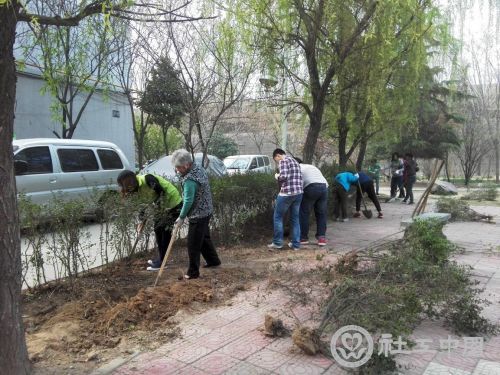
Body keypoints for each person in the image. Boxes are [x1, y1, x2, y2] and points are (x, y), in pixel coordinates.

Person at [117, 170, 182, 271]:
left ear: (133, 180)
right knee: (157, 229)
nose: (128, 187)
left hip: (173, 204)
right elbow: (143, 205)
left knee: (164, 230)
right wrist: (141, 220)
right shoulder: (136, 190)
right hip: (162, 207)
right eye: (125, 186)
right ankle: (161, 258)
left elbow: (162, 193)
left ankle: (163, 262)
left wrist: (159, 209)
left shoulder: (147, 179)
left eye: (128, 184)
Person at [171, 149, 221, 280]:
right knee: (203, 238)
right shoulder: (197, 167)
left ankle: (193, 272)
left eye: (178, 167)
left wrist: (181, 217)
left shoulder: (189, 180)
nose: (177, 170)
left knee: (193, 244)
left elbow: (188, 201)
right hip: (207, 210)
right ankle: (213, 261)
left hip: (198, 215)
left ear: (187, 165)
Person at [268, 149, 303, 250]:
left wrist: (277, 176)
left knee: (278, 217)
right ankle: (296, 245)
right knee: (295, 219)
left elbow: (283, 177)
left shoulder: (283, 161)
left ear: (278, 155)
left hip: (287, 193)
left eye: (276, 160)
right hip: (299, 193)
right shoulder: (295, 161)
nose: (277, 162)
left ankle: (278, 243)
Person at [296, 160, 328, 246]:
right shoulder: (311, 166)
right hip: (324, 187)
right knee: (321, 213)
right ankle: (321, 238)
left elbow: (297, 185)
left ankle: (303, 238)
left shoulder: (297, 167)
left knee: (304, 212)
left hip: (311, 187)